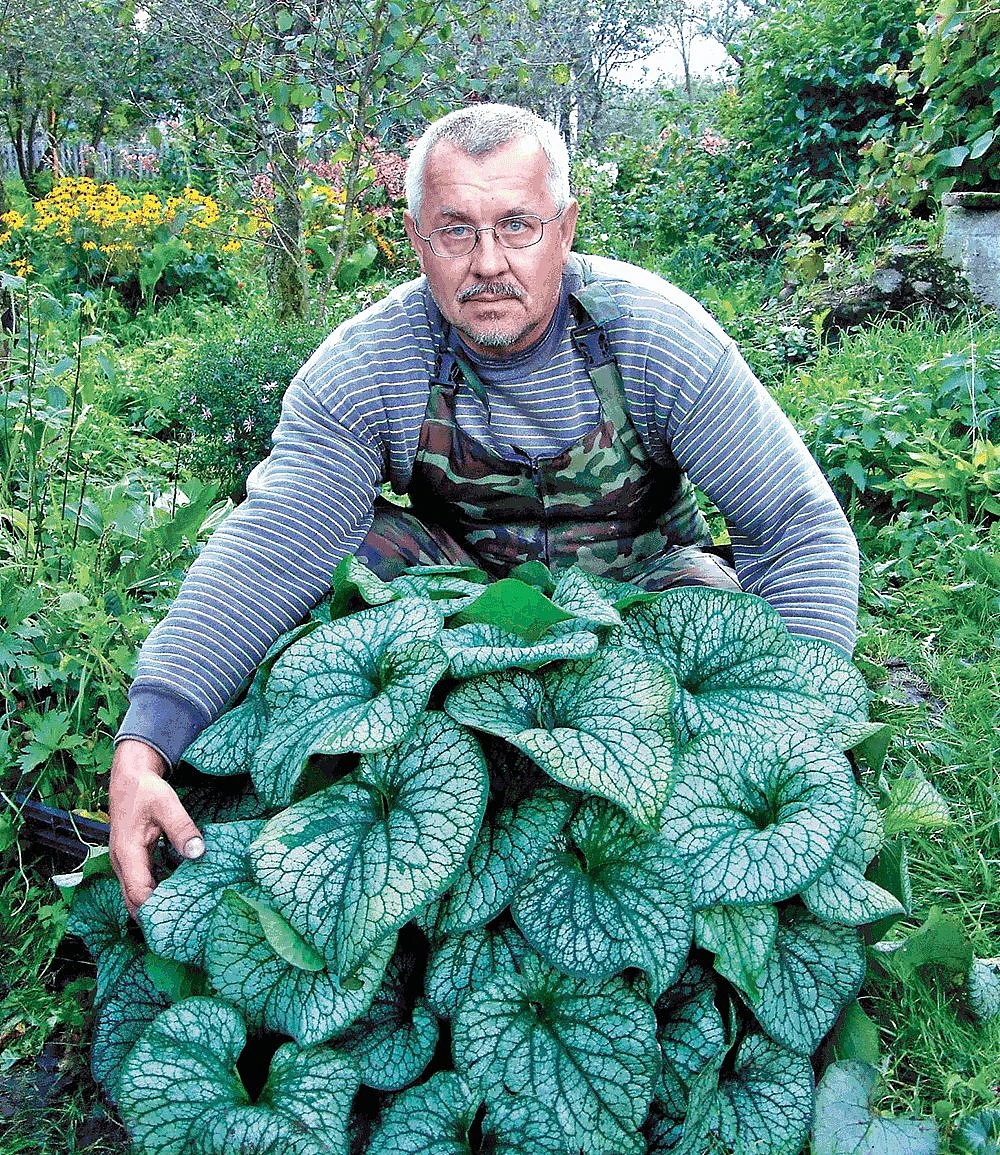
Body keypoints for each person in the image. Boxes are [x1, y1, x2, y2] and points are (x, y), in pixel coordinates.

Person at [109, 103, 860, 916]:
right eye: (456, 230)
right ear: (416, 239)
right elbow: (273, 547)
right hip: (467, 618)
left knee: (717, 600)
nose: (489, 261)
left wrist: (800, 728)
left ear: (565, 229)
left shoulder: (654, 337)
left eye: (517, 225)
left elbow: (796, 528)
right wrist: (147, 741)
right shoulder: (372, 365)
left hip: (646, 600)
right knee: (355, 554)